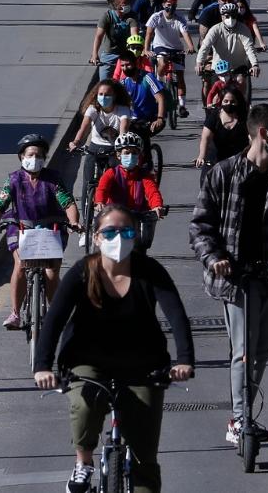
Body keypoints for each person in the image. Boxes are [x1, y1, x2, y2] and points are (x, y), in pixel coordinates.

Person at [33, 206, 194, 493]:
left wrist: (184, 361)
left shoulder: (149, 271)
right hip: (87, 360)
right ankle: (83, 463)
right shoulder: (83, 272)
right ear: (96, 237)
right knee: (84, 405)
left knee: (145, 456)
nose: (118, 238)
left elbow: (176, 314)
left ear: (136, 236)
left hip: (142, 364)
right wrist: (42, 366)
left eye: (126, 231)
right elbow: (55, 318)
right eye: (110, 232)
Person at [188, 103, 268, 446]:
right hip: (236, 277)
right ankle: (241, 419)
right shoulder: (224, 173)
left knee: (264, 347)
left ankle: (243, 411)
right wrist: (214, 258)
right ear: (264, 133)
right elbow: (200, 227)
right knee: (243, 349)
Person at [0, 134, 82, 330]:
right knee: (21, 265)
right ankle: (15, 313)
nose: (35, 159)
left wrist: (74, 222)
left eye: (39, 155)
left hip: (51, 228)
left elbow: (68, 203)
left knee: (51, 272)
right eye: (31, 155)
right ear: (22, 157)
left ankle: (54, 313)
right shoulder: (14, 179)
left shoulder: (54, 180)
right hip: (20, 227)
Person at [93, 133, 166, 251]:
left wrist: (157, 206)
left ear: (139, 155)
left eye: (134, 153)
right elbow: (102, 189)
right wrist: (100, 202)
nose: (131, 155)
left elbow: (153, 192)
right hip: (114, 218)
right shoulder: (111, 173)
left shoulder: (144, 175)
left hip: (137, 218)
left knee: (140, 251)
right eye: (127, 152)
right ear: (118, 155)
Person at [67, 79, 134, 191]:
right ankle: (86, 205)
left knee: (117, 182)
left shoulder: (123, 110)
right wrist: (76, 142)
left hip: (114, 149)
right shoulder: (93, 109)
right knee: (88, 182)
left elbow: (124, 129)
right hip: (95, 147)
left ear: (114, 96)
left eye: (107, 95)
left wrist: (121, 148)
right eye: (101, 94)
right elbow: (84, 127)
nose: (103, 97)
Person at [194, 87, 248, 170]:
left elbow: (253, 139)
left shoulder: (245, 118)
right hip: (215, 161)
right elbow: (205, 138)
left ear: (238, 102)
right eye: (226, 101)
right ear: (221, 102)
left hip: (238, 163)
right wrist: (202, 156)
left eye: (232, 102)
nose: (229, 104)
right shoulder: (214, 117)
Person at [89, 0, 138, 81]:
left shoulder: (132, 16)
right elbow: (98, 36)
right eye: (124, 3)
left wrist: (135, 49)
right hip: (109, 55)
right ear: (117, 6)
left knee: (127, 82)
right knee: (104, 82)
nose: (128, 5)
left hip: (125, 54)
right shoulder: (107, 17)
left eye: (128, 2)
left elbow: (134, 34)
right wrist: (94, 54)